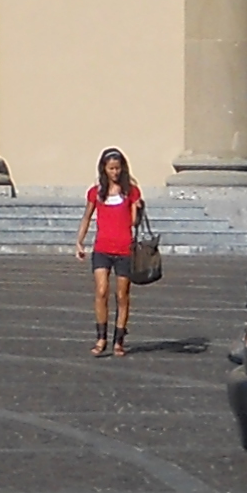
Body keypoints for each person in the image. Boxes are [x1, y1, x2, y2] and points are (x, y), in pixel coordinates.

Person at [76, 148, 146, 357]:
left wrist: (138, 208)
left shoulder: (131, 191)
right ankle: (101, 337)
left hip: (124, 249)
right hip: (102, 248)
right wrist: (79, 241)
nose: (115, 172)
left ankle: (119, 340)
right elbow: (87, 217)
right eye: (111, 168)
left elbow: (133, 222)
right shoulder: (96, 192)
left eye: (118, 168)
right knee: (101, 291)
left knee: (122, 295)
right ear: (104, 169)